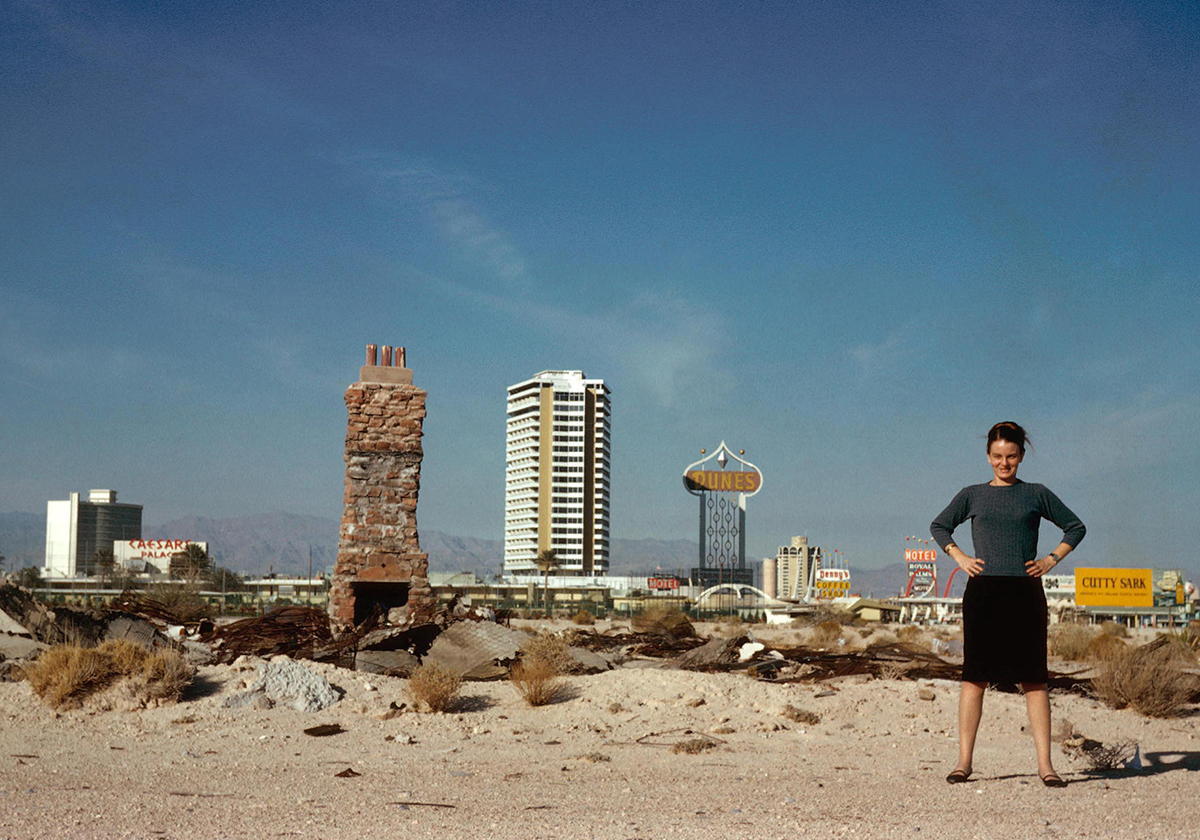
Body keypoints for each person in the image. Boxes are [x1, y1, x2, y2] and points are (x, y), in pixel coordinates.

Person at [930, 421, 1086, 788]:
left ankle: (1046, 767)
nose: (1004, 463)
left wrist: (1050, 560)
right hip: (983, 593)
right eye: (998, 457)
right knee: (974, 678)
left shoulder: (1036, 493)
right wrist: (960, 557)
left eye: (1011, 457)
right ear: (988, 457)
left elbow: (1075, 527)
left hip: (1025, 594)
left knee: (1034, 680)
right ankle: (963, 763)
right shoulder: (971, 494)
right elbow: (940, 526)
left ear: (1021, 456)